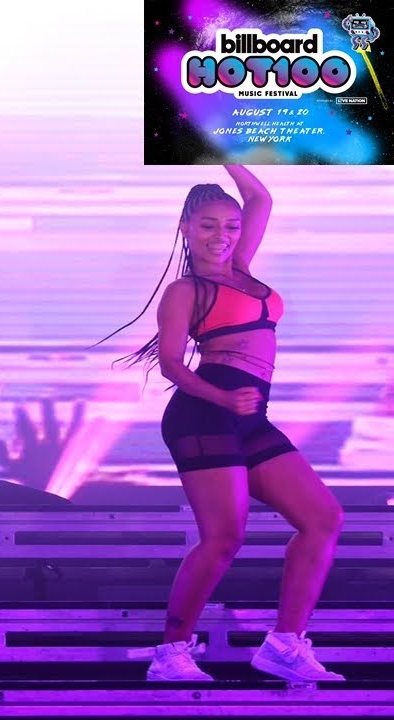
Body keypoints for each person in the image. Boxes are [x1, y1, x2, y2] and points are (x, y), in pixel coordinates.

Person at [101, 165, 345, 683]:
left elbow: (259, 196)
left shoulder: (242, 268)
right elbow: (170, 364)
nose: (223, 235)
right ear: (187, 227)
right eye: (209, 225)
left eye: (231, 226)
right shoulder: (187, 290)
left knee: (323, 518)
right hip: (203, 414)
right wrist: (219, 395)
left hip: (250, 418)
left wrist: (223, 149)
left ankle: (284, 644)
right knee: (224, 536)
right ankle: (171, 652)